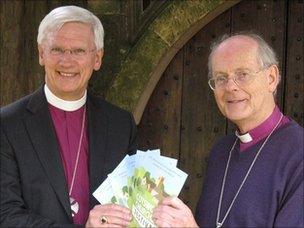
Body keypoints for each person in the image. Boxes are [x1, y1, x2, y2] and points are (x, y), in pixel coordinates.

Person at [0, 6, 137, 227]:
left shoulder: (120, 124)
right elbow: (5, 214)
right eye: (57, 49)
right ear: (41, 54)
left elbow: (133, 202)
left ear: (97, 59)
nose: (67, 61)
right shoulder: (7, 125)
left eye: (79, 51)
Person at [152, 33, 303, 227]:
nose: (231, 86)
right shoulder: (221, 151)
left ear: (271, 78)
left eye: (243, 74)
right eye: (221, 78)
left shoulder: (298, 153)